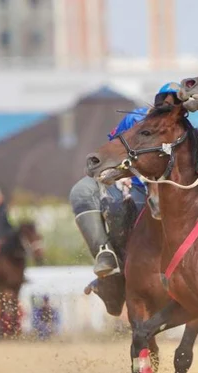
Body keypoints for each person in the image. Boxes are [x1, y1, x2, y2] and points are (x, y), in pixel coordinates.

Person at [70, 106, 149, 277]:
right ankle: (104, 253)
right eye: (164, 98)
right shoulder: (134, 117)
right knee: (82, 191)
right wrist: (118, 174)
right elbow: (114, 146)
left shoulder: (180, 125)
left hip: (158, 190)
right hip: (130, 185)